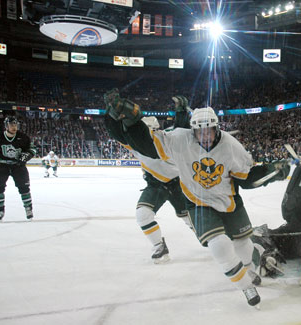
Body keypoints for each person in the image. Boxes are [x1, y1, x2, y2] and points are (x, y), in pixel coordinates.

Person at [104, 91, 290, 307]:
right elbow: (147, 145)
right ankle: (246, 287)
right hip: (197, 202)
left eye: (209, 131)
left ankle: (248, 270)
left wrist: (271, 172)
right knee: (219, 245)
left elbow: (246, 179)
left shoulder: (231, 146)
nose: (204, 136)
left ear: (217, 128)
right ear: (193, 130)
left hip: (228, 201)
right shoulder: (180, 139)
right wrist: (133, 121)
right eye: (199, 131)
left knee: (242, 243)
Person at [103, 96, 192, 264]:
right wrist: (110, 116)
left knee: (192, 221)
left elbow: (181, 129)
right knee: (143, 215)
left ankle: (214, 238)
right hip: (156, 184)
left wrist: (181, 113)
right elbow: (118, 134)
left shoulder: (166, 140)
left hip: (179, 184)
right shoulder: (139, 141)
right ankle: (159, 246)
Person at [0, 116, 36, 221]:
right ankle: (0, 210)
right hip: (2, 166)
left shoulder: (23, 137)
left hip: (18, 166)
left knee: (24, 188)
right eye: (11, 125)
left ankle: (28, 209)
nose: (14, 127)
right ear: (6, 126)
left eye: (15, 125)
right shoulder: (0, 136)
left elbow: (32, 149)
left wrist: (26, 155)